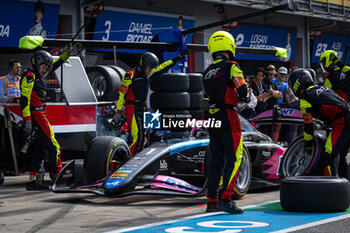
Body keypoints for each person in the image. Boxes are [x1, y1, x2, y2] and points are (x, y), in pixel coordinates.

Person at [203, 31, 249, 214]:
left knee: (216, 160)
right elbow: (243, 90)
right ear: (230, 46)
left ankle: (212, 200)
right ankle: (226, 198)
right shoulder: (232, 66)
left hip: (212, 117)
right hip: (228, 115)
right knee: (235, 158)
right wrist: (243, 94)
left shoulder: (206, 72)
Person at [114, 50, 189, 157]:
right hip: (132, 107)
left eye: (152, 68)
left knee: (145, 137)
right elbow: (121, 95)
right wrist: (118, 112)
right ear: (143, 65)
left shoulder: (148, 74)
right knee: (137, 136)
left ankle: (140, 159)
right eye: (150, 67)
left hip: (144, 107)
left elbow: (163, 67)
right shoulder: (129, 75)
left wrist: (178, 58)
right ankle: (128, 159)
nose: (151, 70)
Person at [20, 49, 72, 190]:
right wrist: (28, 120)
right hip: (37, 115)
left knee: (41, 149)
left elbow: (53, 65)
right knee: (54, 146)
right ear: (36, 63)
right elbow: (24, 99)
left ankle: (32, 181)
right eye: (44, 67)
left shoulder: (36, 75)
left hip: (40, 114)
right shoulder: (29, 76)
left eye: (48, 68)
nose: (46, 70)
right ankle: (58, 178)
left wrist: (66, 55)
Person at [288, 69, 350, 178]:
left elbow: (308, 126)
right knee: (341, 156)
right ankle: (346, 186)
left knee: (328, 157)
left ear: (296, 84)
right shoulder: (324, 88)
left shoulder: (305, 99)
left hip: (341, 121)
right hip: (346, 115)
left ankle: (330, 187)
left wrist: (308, 145)